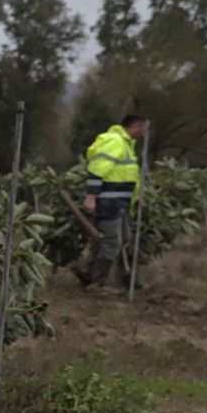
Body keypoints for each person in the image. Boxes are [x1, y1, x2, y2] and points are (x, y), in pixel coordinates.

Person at [82, 114, 149, 289]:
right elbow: (97, 170)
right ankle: (97, 283)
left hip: (120, 203)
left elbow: (125, 175)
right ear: (137, 126)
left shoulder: (126, 144)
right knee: (112, 242)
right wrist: (91, 197)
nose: (145, 132)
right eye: (145, 128)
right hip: (109, 203)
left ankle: (92, 273)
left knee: (122, 239)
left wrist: (136, 197)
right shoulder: (115, 141)